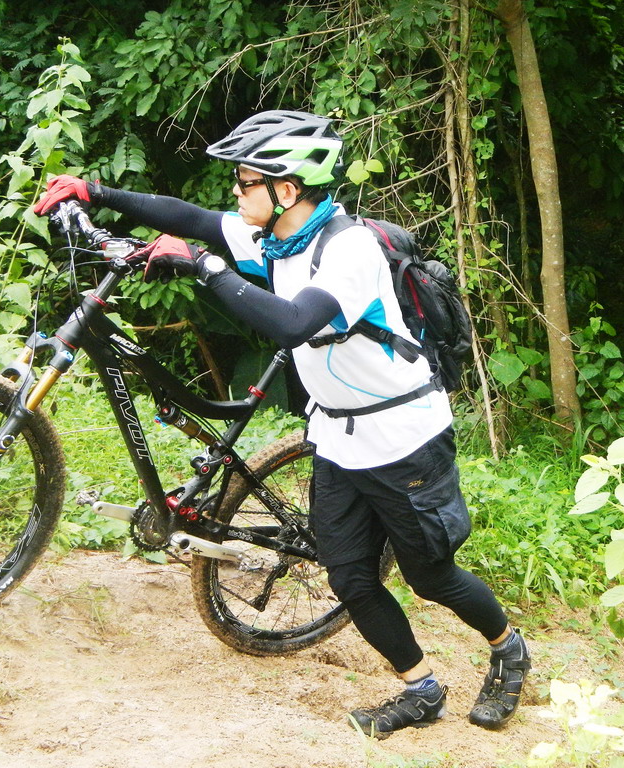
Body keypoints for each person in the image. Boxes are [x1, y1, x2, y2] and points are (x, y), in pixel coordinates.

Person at [33, 110, 530, 737]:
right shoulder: (277, 238)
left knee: (430, 576)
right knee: (349, 577)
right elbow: (192, 219)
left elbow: (293, 324)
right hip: (337, 437)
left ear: (287, 190)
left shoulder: (348, 250)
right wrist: (97, 192)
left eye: (246, 183)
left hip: (403, 439)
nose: (235, 194)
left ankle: (508, 647)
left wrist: (206, 267)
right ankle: (421, 688)